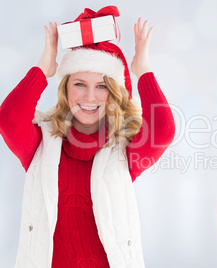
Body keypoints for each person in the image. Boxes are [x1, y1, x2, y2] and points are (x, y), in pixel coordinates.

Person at [0, 7, 175, 268]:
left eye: (102, 86)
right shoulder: (40, 143)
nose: (90, 97)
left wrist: (143, 71)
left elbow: (163, 131)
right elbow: (9, 119)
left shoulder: (124, 149)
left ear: (113, 92)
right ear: (66, 89)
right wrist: (43, 68)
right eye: (79, 84)